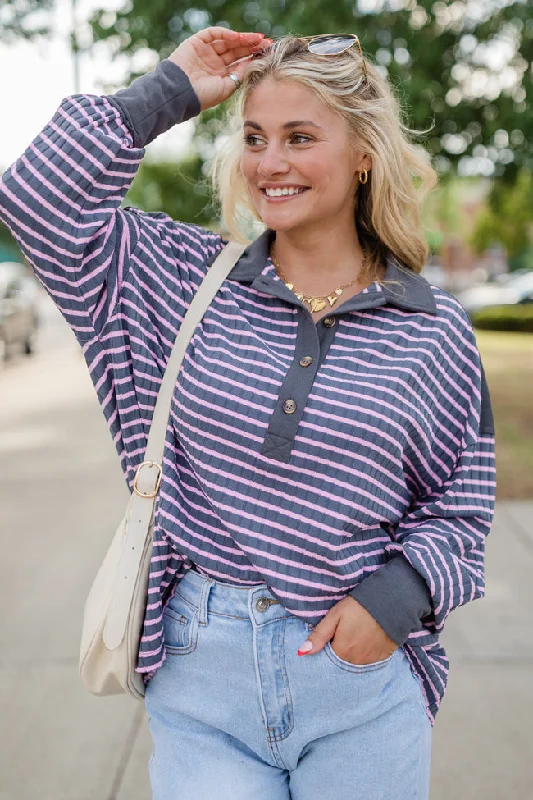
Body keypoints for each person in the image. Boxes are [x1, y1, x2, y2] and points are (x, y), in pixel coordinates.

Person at [0, 26, 496, 800]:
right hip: (202, 678)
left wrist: (394, 601)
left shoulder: (431, 328)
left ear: (363, 152)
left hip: (358, 681)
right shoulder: (177, 279)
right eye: (255, 137)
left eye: (300, 137)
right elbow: (35, 198)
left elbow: (458, 508)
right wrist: (170, 87)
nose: (270, 163)